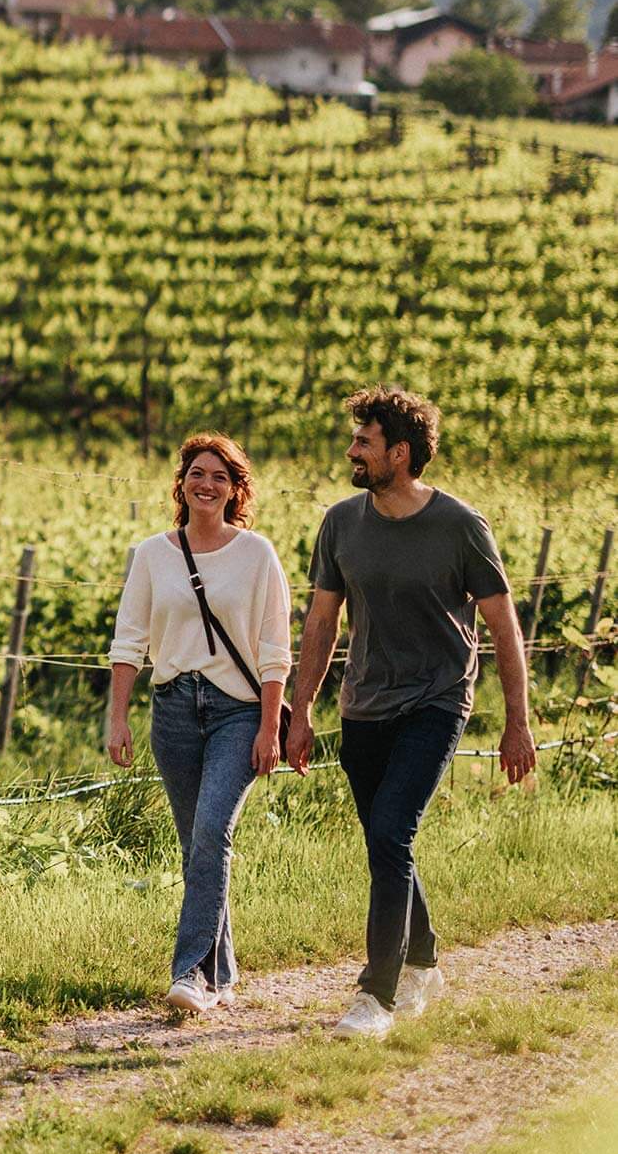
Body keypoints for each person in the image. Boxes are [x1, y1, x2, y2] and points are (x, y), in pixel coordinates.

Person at [287, 386, 536, 1040]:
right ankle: (423, 960)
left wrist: (517, 722)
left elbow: (503, 627)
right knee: (384, 838)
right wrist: (301, 709)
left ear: (400, 453)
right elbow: (322, 621)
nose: (352, 451)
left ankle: (378, 994)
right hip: (364, 704)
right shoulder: (341, 523)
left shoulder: (460, 525)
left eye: (364, 442)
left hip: (437, 698)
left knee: (392, 832)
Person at [107, 433, 291, 1015]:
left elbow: (274, 649)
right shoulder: (152, 554)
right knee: (197, 846)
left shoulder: (257, 554)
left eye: (219, 476)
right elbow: (129, 642)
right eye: (196, 473)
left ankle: (191, 972)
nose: (206, 484)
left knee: (212, 832)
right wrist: (117, 718)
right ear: (181, 483)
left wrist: (270, 727)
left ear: (235, 489)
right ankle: (223, 972)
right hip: (174, 709)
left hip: (238, 711)